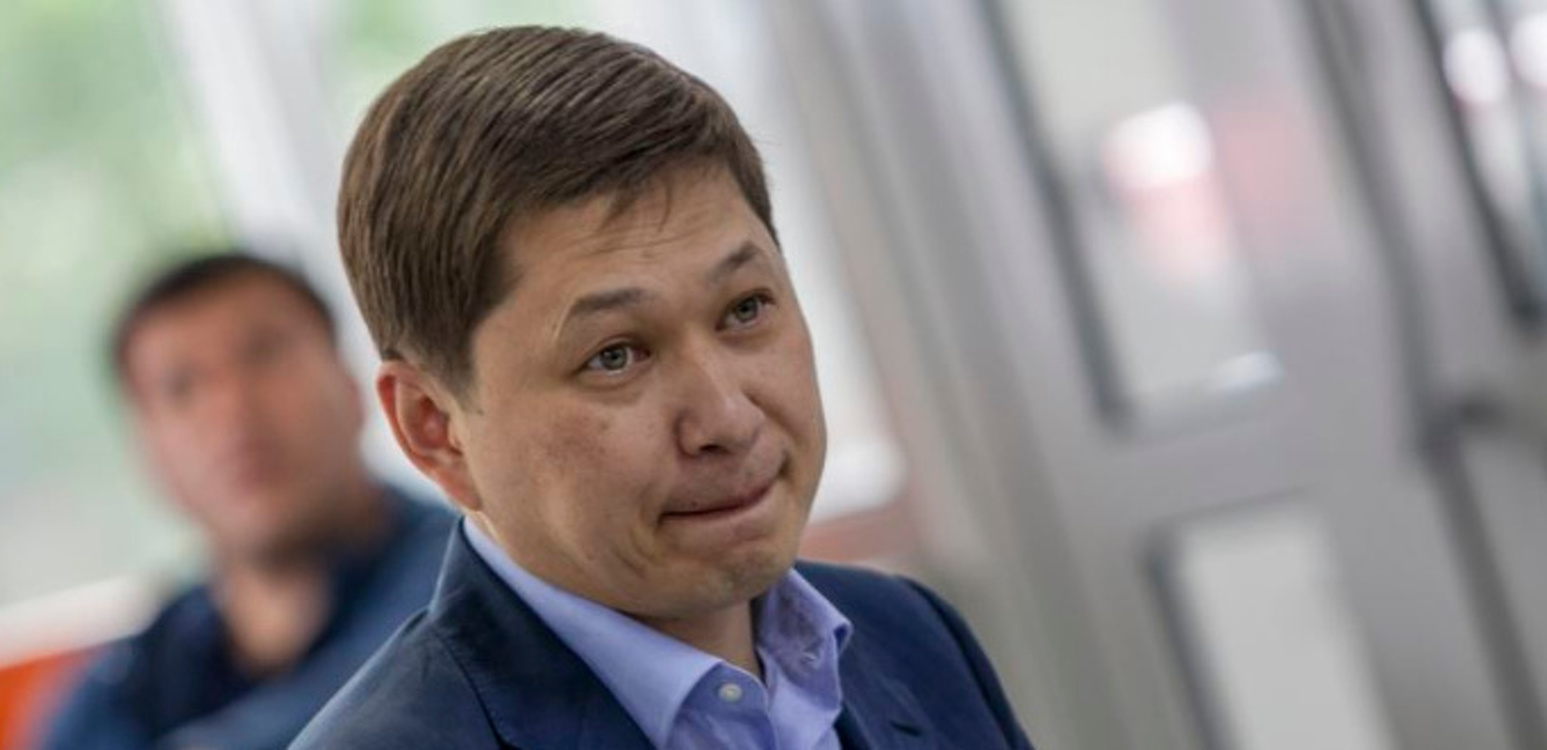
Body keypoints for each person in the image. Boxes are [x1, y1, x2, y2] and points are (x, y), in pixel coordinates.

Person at [293, 25, 1034, 749]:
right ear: (436, 429)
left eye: (745, 309)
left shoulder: (910, 636)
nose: (728, 419)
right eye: (615, 356)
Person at [42, 254, 455, 750]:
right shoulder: (136, 673)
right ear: (149, 453)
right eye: (181, 387)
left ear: (354, 387)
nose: (233, 410)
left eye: (265, 355)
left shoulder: (468, 584)